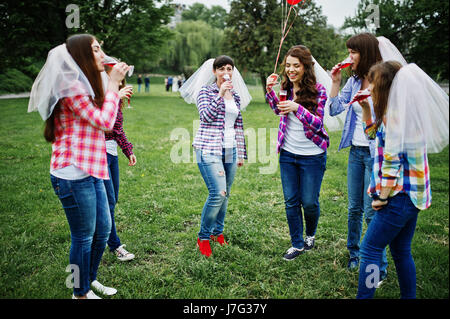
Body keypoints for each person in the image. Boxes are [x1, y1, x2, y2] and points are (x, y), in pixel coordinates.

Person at [27, 34, 130, 298]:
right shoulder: (70, 87)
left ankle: (89, 279)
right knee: (83, 237)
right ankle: (79, 292)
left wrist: (111, 85)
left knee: (103, 230)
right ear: (82, 56)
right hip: (72, 174)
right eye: (96, 50)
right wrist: (114, 85)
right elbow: (105, 122)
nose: (102, 54)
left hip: (93, 168)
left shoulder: (86, 84)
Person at [356, 60, 448, 298]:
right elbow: (373, 136)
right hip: (412, 197)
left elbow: (392, 161)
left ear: (385, 87)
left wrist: (381, 198)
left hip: (397, 197)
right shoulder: (400, 114)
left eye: (373, 84)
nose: (370, 88)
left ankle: (364, 296)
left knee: (370, 249)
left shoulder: (395, 118)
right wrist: (366, 109)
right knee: (401, 250)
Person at [179, 55, 252, 258]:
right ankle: (203, 237)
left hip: (230, 150)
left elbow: (238, 125)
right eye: (221, 68)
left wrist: (241, 153)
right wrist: (220, 94)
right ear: (215, 72)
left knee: (226, 194)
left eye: (229, 68)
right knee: (217, 193)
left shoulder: (235, 96)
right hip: (209, 148)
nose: (225, 72)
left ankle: (217, 233)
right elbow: (206, 116)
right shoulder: (205, 91)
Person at [329, 33, 388, 277]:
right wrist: (335, 82)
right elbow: (333, 109)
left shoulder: (384, 81)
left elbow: (385, 124)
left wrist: (367, 110)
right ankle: (354, 253)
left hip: (375, 154)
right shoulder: (354, 82)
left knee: (369, 211)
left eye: (353, 52)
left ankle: (378, 265)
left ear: (365, 53)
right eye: (349, 51)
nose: (349, 56)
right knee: (353, 208)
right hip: (356, 151)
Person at [266, 45, 329, 261]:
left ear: (305, 67)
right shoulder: (285, 87)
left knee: (309, 202)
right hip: (288, 154)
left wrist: (297, 107)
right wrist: (269, 92)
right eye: (288, 66)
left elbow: (318, 124)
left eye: (296, 66)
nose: (291, 70)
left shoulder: (319, 90)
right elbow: (278, 109)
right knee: (291, 201)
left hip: (312, 155)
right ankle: (297, 244)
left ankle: (310, 234)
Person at [103, 64, 137, 262]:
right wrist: (114, 97)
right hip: (99, 154)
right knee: (107, 202)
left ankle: (103, 236)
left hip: (112, 154)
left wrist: (128, 150)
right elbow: (104, 124)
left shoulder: (115, 98)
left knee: (112, 200)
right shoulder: (101, 97)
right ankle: (114, 245)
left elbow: (117, 129)